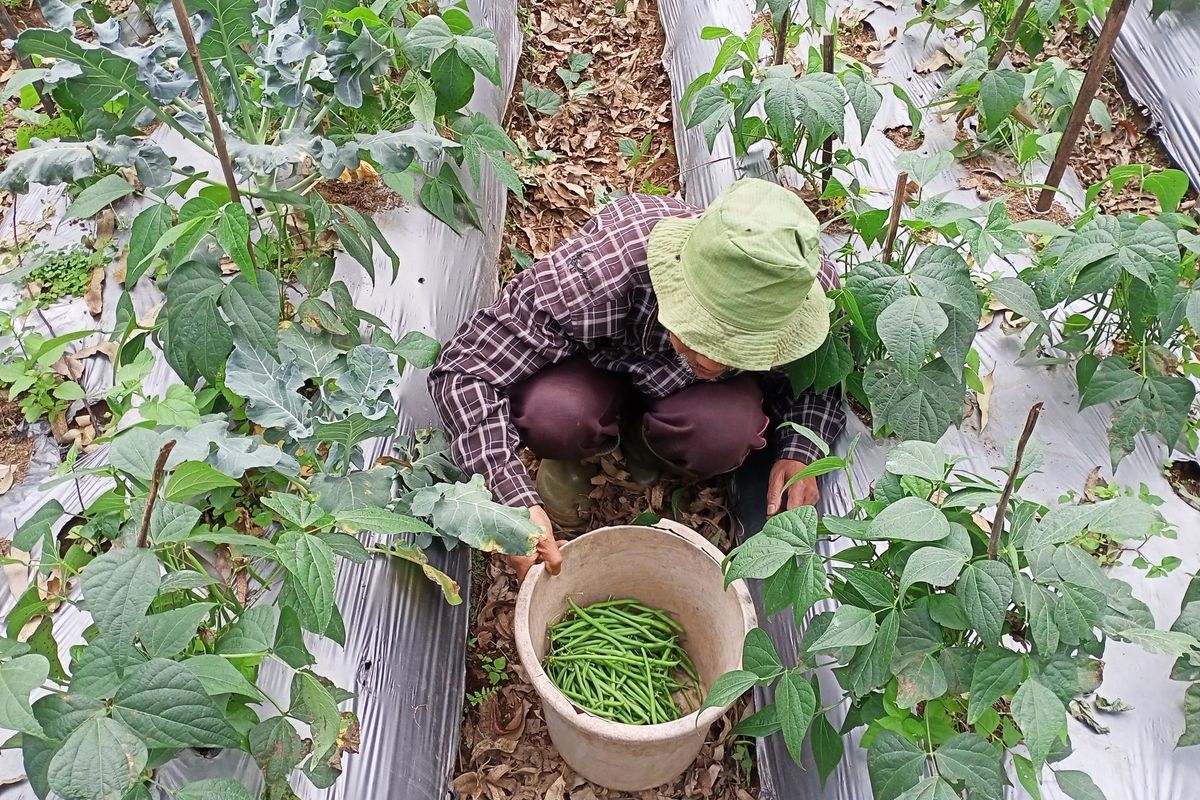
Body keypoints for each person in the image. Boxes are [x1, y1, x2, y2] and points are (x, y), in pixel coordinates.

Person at [429, 178, 845, 580]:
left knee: (724, 432)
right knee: (554, 414)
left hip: (699, 400)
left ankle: (649, 450)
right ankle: (577, 458)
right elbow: (464, 368)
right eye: (697, 335)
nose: (710, 360)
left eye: (734, 349)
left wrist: (804, 449)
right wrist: (511, 506)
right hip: (600, 369)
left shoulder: (800, 289)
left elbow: (821, 383)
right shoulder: (605, 269)